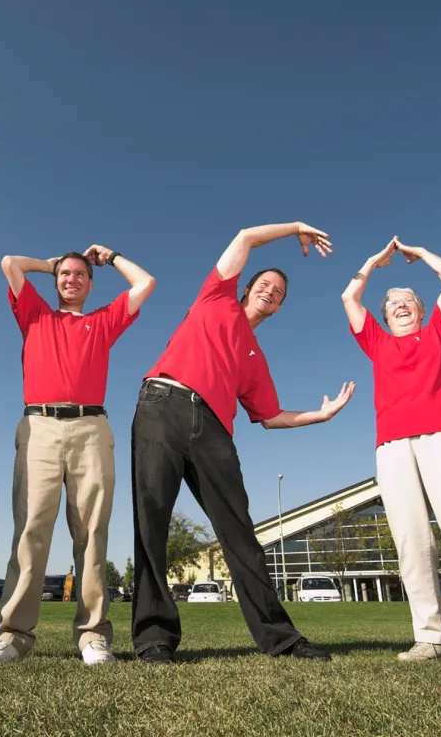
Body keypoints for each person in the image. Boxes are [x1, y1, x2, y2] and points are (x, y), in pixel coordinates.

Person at [131, 222, 355, 664]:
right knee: (151, 521)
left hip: (213, 429)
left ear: (278, 308)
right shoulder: (215, 296)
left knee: (240, 534)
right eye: (265, 284)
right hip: (162, 404)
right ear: (246, 287)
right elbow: (246, 237)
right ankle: (154, 639)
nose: (271, 291)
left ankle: (281, 639)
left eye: (279, 293)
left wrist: (321, 415)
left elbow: (271, 417)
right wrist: (295, 229)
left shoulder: (255, 358)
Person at [0, 245, 155, 666]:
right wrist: (51, 262)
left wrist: (109, 257)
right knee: (31, 528)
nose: (71, 279)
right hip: (38, 426)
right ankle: (13, 635)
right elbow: (10, 262)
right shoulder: (36, 314)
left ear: (90, 284)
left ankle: (92, 636)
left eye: (79, 274)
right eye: (64, 274)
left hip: (91, 428)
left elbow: (145, 283)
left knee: (92, 531)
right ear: (55, 280)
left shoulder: (103, 321)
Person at [341, 237, 441, 671]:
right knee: (412, 543)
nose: (400, 305)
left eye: (408, 300)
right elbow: (348, 295)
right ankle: (430, 638)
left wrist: (419, 254)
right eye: (393, 302)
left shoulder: (439, 332)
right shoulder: (376, 343)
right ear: (385, 315)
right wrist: (375, 262)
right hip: (393, 446)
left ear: (420, 308)